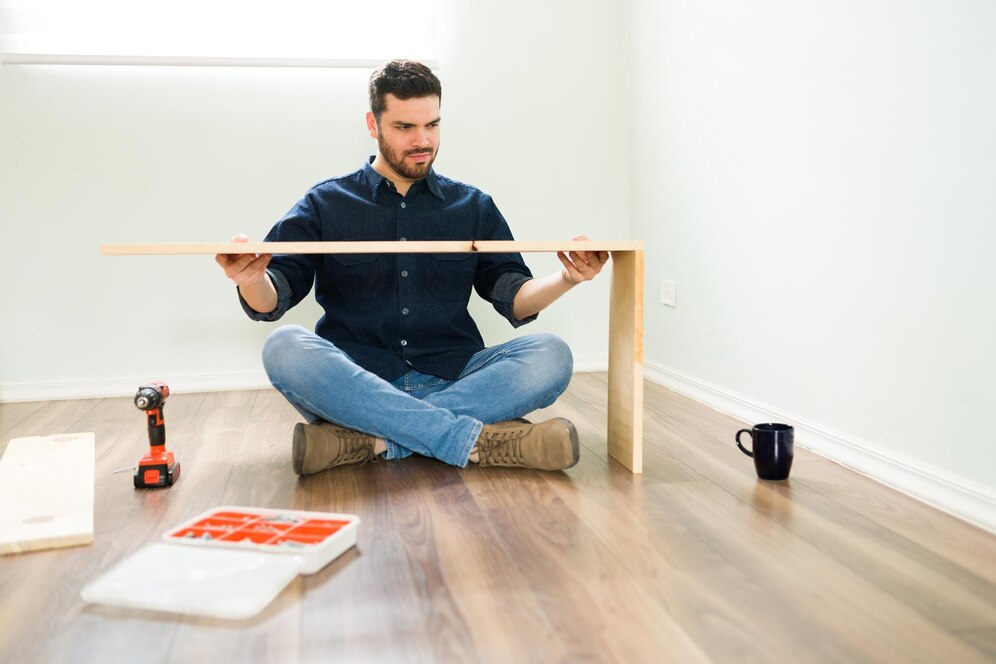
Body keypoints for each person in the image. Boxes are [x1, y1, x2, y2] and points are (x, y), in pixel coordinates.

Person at [216, 60, 607, 475]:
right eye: (404, 127)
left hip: (457, 376)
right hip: (356, 382)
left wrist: (567, 278)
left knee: (551, 355)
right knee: (284, 347)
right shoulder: (324, 203)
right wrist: (252, 280)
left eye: (432, 125)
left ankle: (371, 438)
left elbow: (516, 298)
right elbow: (273, 296)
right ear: (373, 124)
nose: (423, 140)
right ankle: (475, 440)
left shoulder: (473, 206)